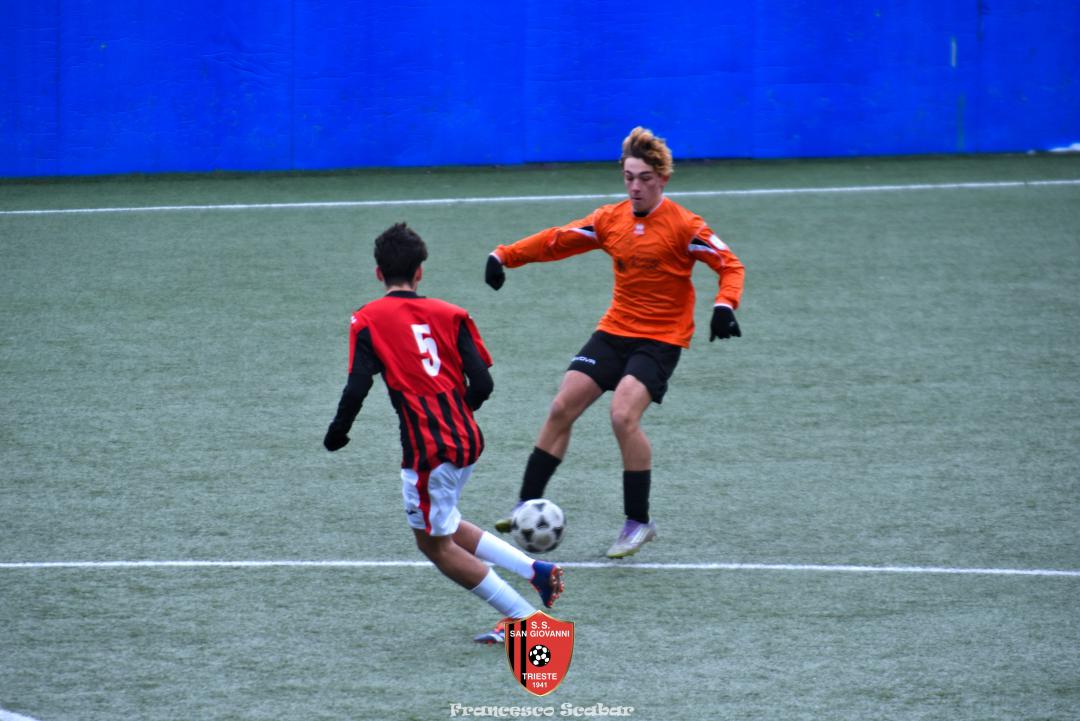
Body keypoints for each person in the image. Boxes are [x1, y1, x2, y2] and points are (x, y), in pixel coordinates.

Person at [484, 127, 746, 558]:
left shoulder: (685, 226)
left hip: (660, 339)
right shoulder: (611, 220)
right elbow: (558, 240)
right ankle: (526, 506)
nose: (635, 186)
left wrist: (724, 304)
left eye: (644, 178)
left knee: (623, 415)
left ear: (662, 179)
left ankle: (638, 522)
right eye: (628, 177)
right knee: (562, 406)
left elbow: (729, 264)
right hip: (615, 330)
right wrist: (504, 256)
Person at [324, 222, 563, 644]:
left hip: (428, 451)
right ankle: (535, 570)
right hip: (466, 439)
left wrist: (337, 433)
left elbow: (358, 386)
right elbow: (483, 384)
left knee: (434, 546)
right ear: (420, 272)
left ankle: (527, 621)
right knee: (446, 523)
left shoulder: (366, 320)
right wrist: (455, 413)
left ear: (378, 273)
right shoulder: (453, 314)